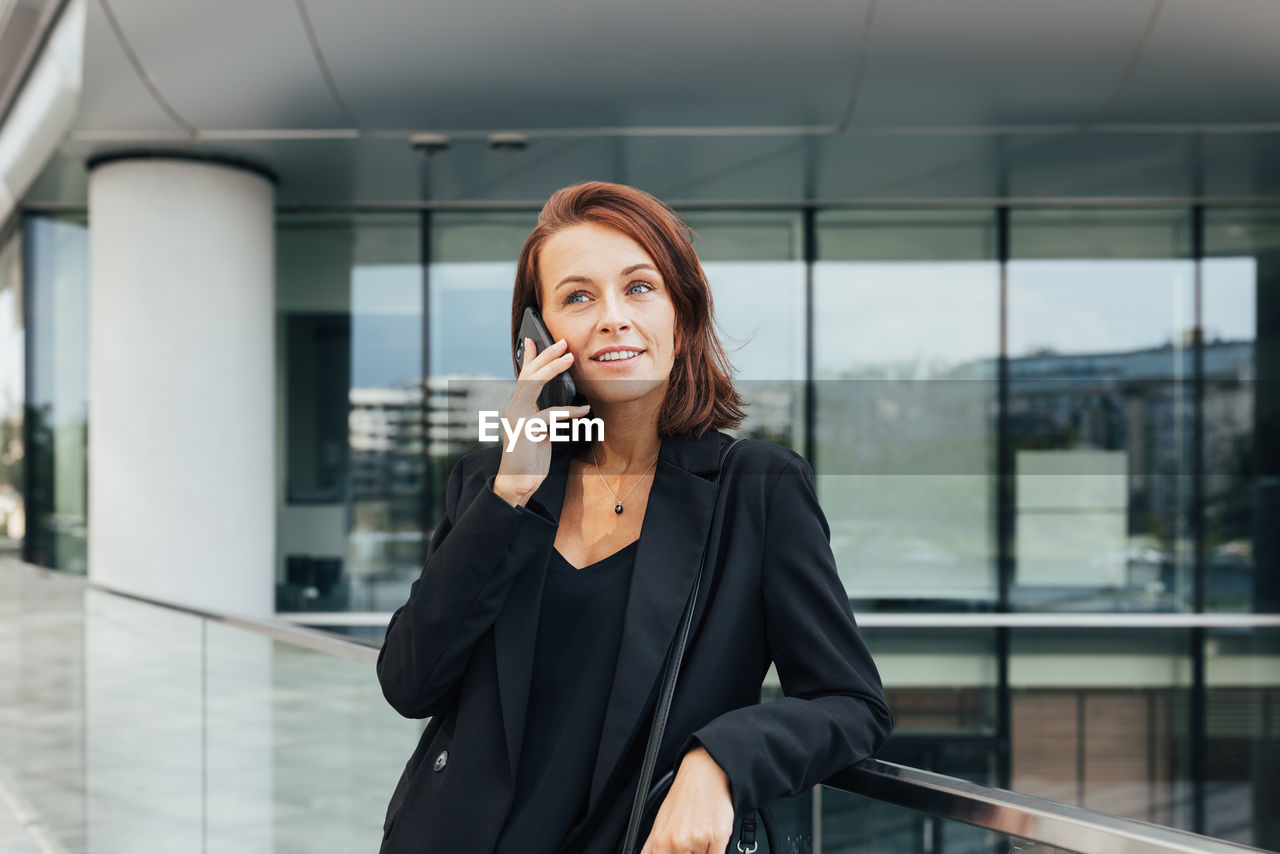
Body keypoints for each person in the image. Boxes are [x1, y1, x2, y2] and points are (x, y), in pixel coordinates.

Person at [376, 181, 892, 854]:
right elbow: (410, 683)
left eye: (640, 287)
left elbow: (851, 704)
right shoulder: (489, 482)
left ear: (682, 312)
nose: (613, 317)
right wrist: (510, 496)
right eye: (578, 297)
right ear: (540, 338)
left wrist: (719, 761)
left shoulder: (757, 489)